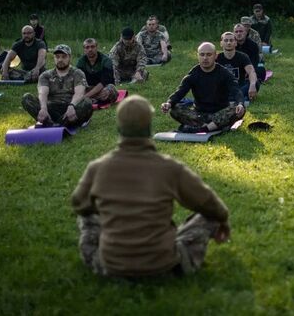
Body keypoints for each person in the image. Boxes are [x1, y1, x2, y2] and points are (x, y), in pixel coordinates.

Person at [71, 94, 231, 278]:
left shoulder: (98, 168)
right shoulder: (170, 168)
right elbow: (210, 203)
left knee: (87, 217)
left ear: (119, 127)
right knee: (209, 215)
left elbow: (79, 204)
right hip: (165, 265)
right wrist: (223, 220)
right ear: (149, 128)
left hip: (111, 266)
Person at [161, 42, 245, 133]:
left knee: (237, 108)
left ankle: (203, 129)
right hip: (199, 115)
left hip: (220, 113)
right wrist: (168, 103)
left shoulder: (224, 73)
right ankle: (214, 126)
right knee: (174, 108)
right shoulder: (193, 74)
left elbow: (236, 91)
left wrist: (240, 104)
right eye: (202, 55)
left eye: (209, 55)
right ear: (198, 56)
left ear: (215, 56)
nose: (205, 58)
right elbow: (180, 91)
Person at [21, 44, 92, 127]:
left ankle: (57, 124)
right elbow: (42, 93)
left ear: (70, 57)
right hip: (50, 108)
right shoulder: (45, 75)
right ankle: (53, 121)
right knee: (27, 98)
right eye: (57, 57)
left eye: (64, 57)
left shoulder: (77, 73)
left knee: (87, 102)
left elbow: (79, 93)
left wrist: (71, 106)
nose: (60, 59)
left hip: (71, 108)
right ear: (54, 58)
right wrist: (43, 109)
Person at [216, 31, 258, 102]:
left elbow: (251, 72)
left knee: (256, 83)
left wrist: (252, 85)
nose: (229, 43)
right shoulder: (216, 58)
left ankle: (233, 98)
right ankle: (240, 99)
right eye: (226, 40)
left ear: (235, 43)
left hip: (239, 87)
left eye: (231, 40)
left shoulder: (243, 56)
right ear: (221, 43)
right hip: (223, 88)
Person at [76, 38, 118, 106]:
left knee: (111, 91)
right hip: (88, 88)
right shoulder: (81, 62)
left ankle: (89, 100)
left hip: (102, 88)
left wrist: (85, 96)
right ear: (84, 50)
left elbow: (103, 82)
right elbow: (78, 81)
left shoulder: (106, 60)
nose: (90, 49)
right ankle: (93, 100)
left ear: (97, 47)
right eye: (87, 47)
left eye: (92, 46)